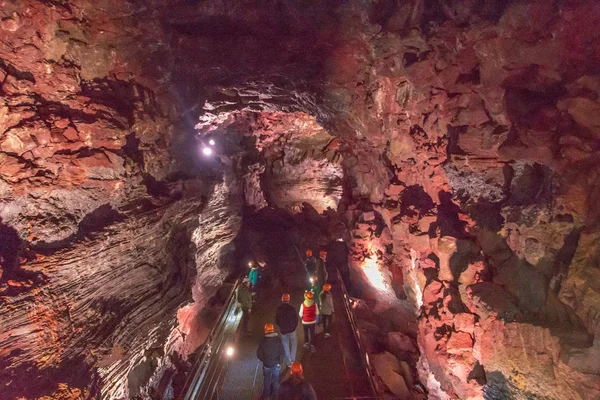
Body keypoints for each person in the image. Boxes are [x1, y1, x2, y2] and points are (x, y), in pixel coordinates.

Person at [257, 323, 286, 400]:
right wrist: (279, 362)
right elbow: (282, 353)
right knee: (276, 380)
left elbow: (259, 354)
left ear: (265, 331)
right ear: (273, 330)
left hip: (266, 365)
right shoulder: (278, 340)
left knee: (266, 380)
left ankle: (267, 396)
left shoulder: (263, 341)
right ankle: (275, 396)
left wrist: (264, 360)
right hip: (276, 365)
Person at [275, 293, 299, 366]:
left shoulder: (279, 309)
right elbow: (296, 320)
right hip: (292, 330)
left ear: (282, 300)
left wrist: (281, 326)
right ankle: (293, 360)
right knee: (294, 344)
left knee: (286, 345)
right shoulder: (292, 309)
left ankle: (288, 362)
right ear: (289, 300)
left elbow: (276, 321)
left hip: (283, 331)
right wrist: (294, 327)